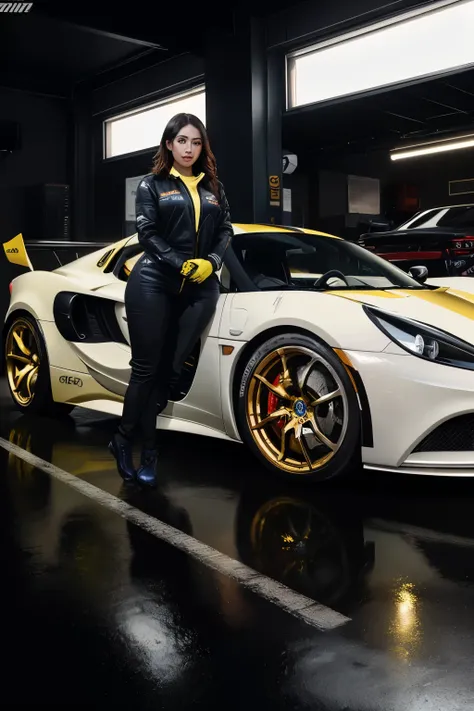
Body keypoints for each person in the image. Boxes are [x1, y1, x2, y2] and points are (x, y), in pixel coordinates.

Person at [108, 113, 233, 488]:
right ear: (169, 144)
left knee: (170, 370)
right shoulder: (152, 185)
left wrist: (211, 263)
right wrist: (181, 263)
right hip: (154, 282)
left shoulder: (214, 187)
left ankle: (126, 440)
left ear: (202, 147)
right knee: (147, 371)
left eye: (196, 142)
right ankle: (137, 446)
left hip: (200, 286)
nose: (189, 149)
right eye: (182, 141)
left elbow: (225, 228)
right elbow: (146, 232)